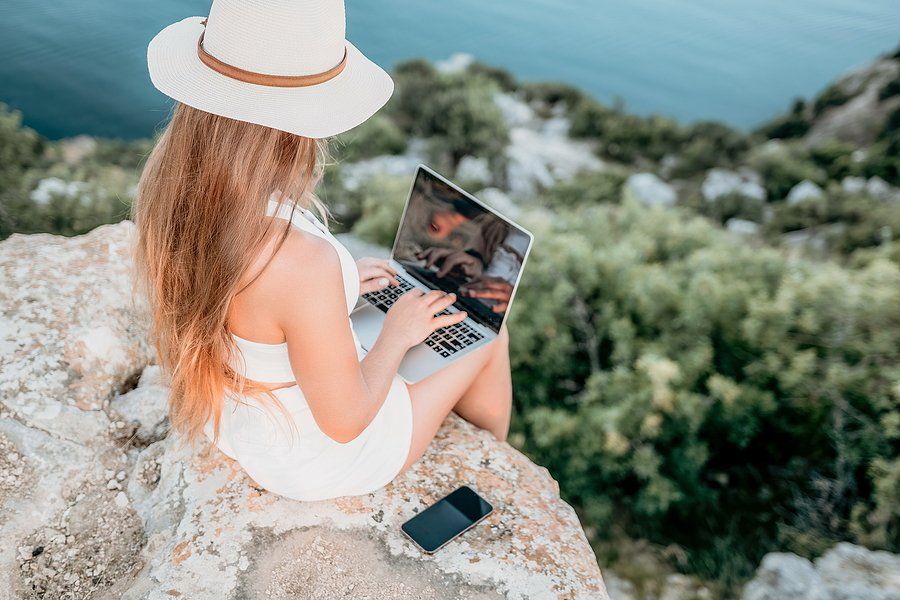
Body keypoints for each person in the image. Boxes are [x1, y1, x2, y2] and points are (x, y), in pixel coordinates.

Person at [133, 0, 512, 502]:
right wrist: (396, 336)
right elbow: (345, 422)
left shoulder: (171, 187)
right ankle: (496, 470)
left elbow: (254, 304)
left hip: (239, 420)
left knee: (424, 324)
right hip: (315, 459)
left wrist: (343, 286)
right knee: (488, 335)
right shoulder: (300, 260)